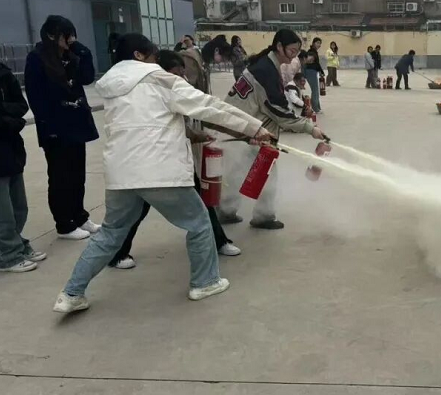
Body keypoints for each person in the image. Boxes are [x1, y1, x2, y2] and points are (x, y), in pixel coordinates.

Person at [53, 33, 270, 314]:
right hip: (159, 169)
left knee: (110, 233)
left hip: (121, 174)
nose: (158, 61)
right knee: (199, 223)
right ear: (139, 55)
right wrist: (254, 127)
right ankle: (205, 282)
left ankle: (71, 293)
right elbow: (208, 106)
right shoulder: (159, 80)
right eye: (154, 55)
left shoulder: (113, 86)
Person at [108, 50, 242, 270]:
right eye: (178, 73)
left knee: (199, 201)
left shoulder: (174, 89)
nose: (183, 79)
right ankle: (118, 253)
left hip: (174, 160)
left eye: (183, 74)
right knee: (137, 209)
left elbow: (202, 114)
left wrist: (236, 131)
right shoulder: (147, 91)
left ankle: (219, 240)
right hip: (148, 161)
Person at [217, 29, 327, 229]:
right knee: (267, 169)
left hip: (239, 125)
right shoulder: (266, 71)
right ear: (279, 47)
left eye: (296, 52)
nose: (293, 56)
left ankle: (225, 211)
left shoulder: (265, 64)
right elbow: (280, 113)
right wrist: (310, 128)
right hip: (245, 128)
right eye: (291, 51)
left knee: (238, 169)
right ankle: (264, 216)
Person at [25, 16, 100, 240]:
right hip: (55, 128)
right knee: (60, 176)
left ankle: (79, 216)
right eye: (66, 35)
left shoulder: (71, 55)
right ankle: (64, 224)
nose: (71, 40)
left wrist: (83, 52)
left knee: (78, 174)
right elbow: (36, 97)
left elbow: (87, 78)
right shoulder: (37, 58)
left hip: (76, 124)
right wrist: (49, 126)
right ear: (51, 35)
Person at [0, 61, 47, 273]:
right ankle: (7, 255)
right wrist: (11, 120)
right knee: (3, 212)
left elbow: (21, 105)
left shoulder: (4, 73)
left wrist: (6, 113)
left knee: (19, 206)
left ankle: (15, 244)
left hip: (10, 147)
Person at [304, 37, 325, 114]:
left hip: (313, 71)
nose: (319, 45)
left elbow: (316, 64)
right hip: (310, 72)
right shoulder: (311, 51)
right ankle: (315, 108)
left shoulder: (314, 51)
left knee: (315, 90)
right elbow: (308, 61)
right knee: (315, 90)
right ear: (313, 43)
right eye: (317, 43)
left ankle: (317, 107)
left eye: (320, 43)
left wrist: (320, 71)